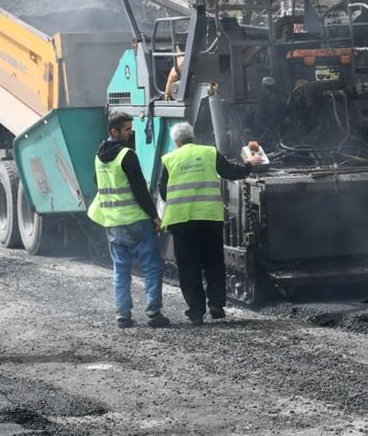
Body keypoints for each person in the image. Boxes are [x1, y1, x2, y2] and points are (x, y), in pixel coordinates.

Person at [158, 122, 262, 324]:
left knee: (188, 266)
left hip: (182, 220)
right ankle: (216, 304)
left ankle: (196, 312)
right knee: (213, 261)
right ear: (193, 137)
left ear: (176, 142)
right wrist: (250, 163)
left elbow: (163, 191)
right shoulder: (209, 152)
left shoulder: (169, 159)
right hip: (209, 216)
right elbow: (231, 172)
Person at [88, 112, 169, 329]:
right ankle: (154, 312)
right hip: (136, 221)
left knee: (120, 269)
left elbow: (97, 182)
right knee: (151, 266)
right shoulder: (127, 155)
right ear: (114, 131)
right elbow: (140, 190)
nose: (131, 132)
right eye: (127, 129)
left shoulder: (98, 156)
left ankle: (123, 315)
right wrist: (155, 216)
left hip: (113, 223)